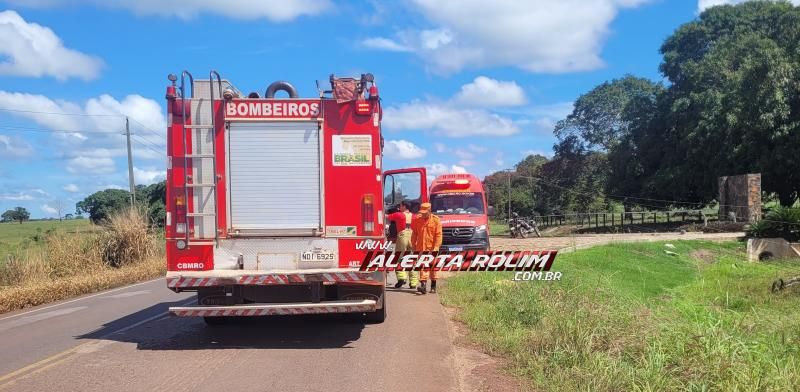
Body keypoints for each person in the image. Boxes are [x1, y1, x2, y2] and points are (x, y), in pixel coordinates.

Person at [411, 202, 442, 294]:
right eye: (422, 212)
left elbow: (438, 235)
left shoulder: (436, 220)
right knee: (423, 266)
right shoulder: (417, 220)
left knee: (432, 267)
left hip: (432, 248)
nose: (423, 214)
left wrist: (436, 247)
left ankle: (433, 285)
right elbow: (414, 234)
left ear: (429, 211)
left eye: (425, 212)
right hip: (421, 247)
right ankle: (423, 286)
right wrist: (413, 245)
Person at [387, 201, 417, 289]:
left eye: (400, 206)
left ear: (404, 206)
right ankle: (413, 282)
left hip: (402, 236)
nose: (399, 207)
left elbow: (386, 217)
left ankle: (401, 277)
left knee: (398, 258)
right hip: (412, 237)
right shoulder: (414, 216)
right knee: (412, 259)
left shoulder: (398, 215)